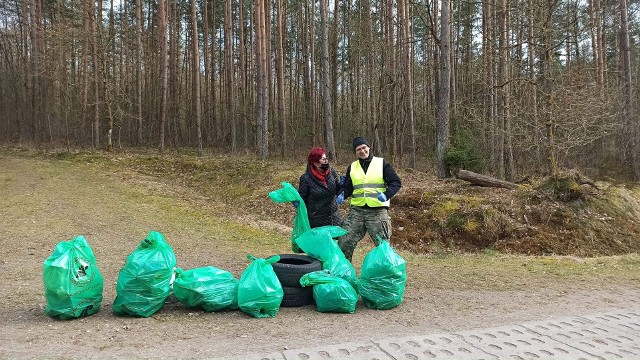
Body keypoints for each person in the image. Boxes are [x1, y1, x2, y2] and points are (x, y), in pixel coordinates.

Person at [337, 136, 402, 261]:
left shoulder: (382, 163)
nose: (362, 151)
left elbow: (395, 182)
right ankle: (344, 273)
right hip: (357, 211)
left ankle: (386, 275)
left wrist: (387, 194)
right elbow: (349, 187)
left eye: (364, 147)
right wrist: (342, 195)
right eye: (358, 149)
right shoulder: (352, 167)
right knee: (344, 241)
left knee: (382, 245)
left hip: (377, 211)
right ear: (355, 152)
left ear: (368, 147)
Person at [294, 147, 344, 228]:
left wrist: (342, 189)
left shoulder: (332, 173)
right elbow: (302, 199)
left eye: (326, 158)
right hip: (316, 220)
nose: (326, 161)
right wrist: (297, 202)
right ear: (315, 163)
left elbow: (337, 189)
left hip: (333, 218)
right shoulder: (306, 179)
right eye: (323, 159)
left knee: (336, 240)